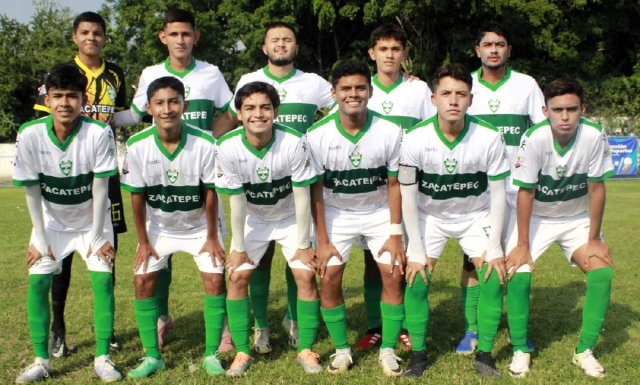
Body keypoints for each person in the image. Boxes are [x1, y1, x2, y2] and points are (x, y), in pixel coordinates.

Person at [114, 8, 233, 350]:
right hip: (162, 174)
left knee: (213, 263)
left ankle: (221, 326)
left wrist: (210, 138)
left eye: (186, 34)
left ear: (195, 37)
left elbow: (231, 110)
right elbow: (135, 115)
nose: (180, 40)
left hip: (197, 163)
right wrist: (98, 117)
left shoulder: (210, 73)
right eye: (174, 34)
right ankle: (162, 317)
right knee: (157, 262)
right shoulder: (151, 72)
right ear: (163, 37)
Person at [220, 21, 334, 353]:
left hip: (293, 179)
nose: (281, 44)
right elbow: (230, 118)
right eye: (275, 40)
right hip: (257, 197)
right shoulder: (247, 82)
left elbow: (345, 103)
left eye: (288, 40)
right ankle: (260, 327)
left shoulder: (313, 83)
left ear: (296, 47)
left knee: (298, 264)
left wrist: (316, 140)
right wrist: (219, 147)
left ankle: (294, 319)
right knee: (260, 264)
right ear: (264, 48)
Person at [399, 63, 510, 378]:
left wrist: (494, 245)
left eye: (461, 94)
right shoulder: (414, 138)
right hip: (429, 216)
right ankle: (418, 354)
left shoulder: (489, 136)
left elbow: (499, 193)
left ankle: (486, 355)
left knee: (491, 274)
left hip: (475, 215)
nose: (453, 100)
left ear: (471, 100)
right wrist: (416, 249)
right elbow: (407, 195)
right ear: (433, 98)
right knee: (417, 277)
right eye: (445, 93)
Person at [14, 63, 121, 383]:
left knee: (103, 281)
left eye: (71, 96)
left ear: (83, 100)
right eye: (57, 96)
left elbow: (101, 187)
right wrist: (39, 236)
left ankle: (102, 357)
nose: (64, 103)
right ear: (47, 99)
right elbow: (32, 189)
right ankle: (41, 360)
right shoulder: (29, 134)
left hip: (93, 222)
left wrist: (98, 234)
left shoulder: (99, 132)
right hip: (51, 224)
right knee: (38, 282)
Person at [505, 78, 614, 378]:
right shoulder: (534, 138)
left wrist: (593, 238)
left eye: (571, 109)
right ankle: (519, 349)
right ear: (545, 110)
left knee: (602, 272)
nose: (564, 117)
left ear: (583, 109)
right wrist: (523, 245)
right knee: (517, 273)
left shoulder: (594, 134)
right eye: (557, 110)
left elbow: (596, 188)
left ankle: (584, 351)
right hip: (536, 218)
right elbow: (525, 193)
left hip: (576, 218)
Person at [32, 11, 127, 356]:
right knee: (62, 255)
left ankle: (108, 329)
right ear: (74, 36)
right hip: (66, 171)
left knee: (105, 248)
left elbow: (121, 112)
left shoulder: (115, 73)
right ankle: (58, 327)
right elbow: (46, 119)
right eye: (85, 32)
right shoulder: (61, 75)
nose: (92, 38)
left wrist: (135, 113)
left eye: (98, 33)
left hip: (104, 171)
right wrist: (88, 118)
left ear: (104, 37)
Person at [120, 76, 227, 378]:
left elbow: (210, 192)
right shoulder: (137, 145)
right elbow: (137, 197)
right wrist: (143, 241)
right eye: (160, 103)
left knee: (215, 281)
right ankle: (152, 356)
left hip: (199, 228)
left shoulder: (206, 143)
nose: (167, 109)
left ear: (185, 105)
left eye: (173, 101)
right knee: (142, 282)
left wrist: (212, 236)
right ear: (149, 108)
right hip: (160, 228)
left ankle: (211, 354)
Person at [306, 60, 406, 377]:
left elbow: (394, 184)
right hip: (337, 215)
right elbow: (316, 192)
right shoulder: (316, 135)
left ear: (370, 91)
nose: (354, 94)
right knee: (330, 277)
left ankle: (388, 349)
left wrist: (394, 232)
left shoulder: (390, 131)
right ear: (334, 93)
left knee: (392, 274)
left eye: (360, 87)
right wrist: (321, 240)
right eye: (346, 88)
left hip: (379, 213)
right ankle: (341, 350)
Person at [215, 82, 321, 376]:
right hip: (255, 219)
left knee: (305, 274)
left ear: (276, 112)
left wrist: (303, 244)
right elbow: (236, 202)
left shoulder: (294, 142)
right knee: (237, 277)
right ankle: (243, 351)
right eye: (249, 108)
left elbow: (302, 197)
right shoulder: (227, 146)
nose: (258, 114)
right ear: (238, 113)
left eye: (265, 107)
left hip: (290, 217)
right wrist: (237, 248)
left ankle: (306, 348)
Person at [453, 22, 546, 355]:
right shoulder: (465, 86)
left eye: (500, 44)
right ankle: (472, 329)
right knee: (474, 262)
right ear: (477, 51)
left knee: (519, 260)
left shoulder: (526, 85)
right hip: (477, 192)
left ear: (509, 50)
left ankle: (518, 329)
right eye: (487, 44)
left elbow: (541, 132)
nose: (494, 49)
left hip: (517, 189)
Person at [355, 23, 436, 352]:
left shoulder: (418, 90)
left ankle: (400, 323)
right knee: (374, 261)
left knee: (408, 256)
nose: (389, 55)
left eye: (396, 49)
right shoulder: (360, 87)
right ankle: (375, 325)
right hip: (375, 189)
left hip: (413, 186)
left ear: (404, 54)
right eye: (383, 49)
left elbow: (433, 128)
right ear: (372, 53)